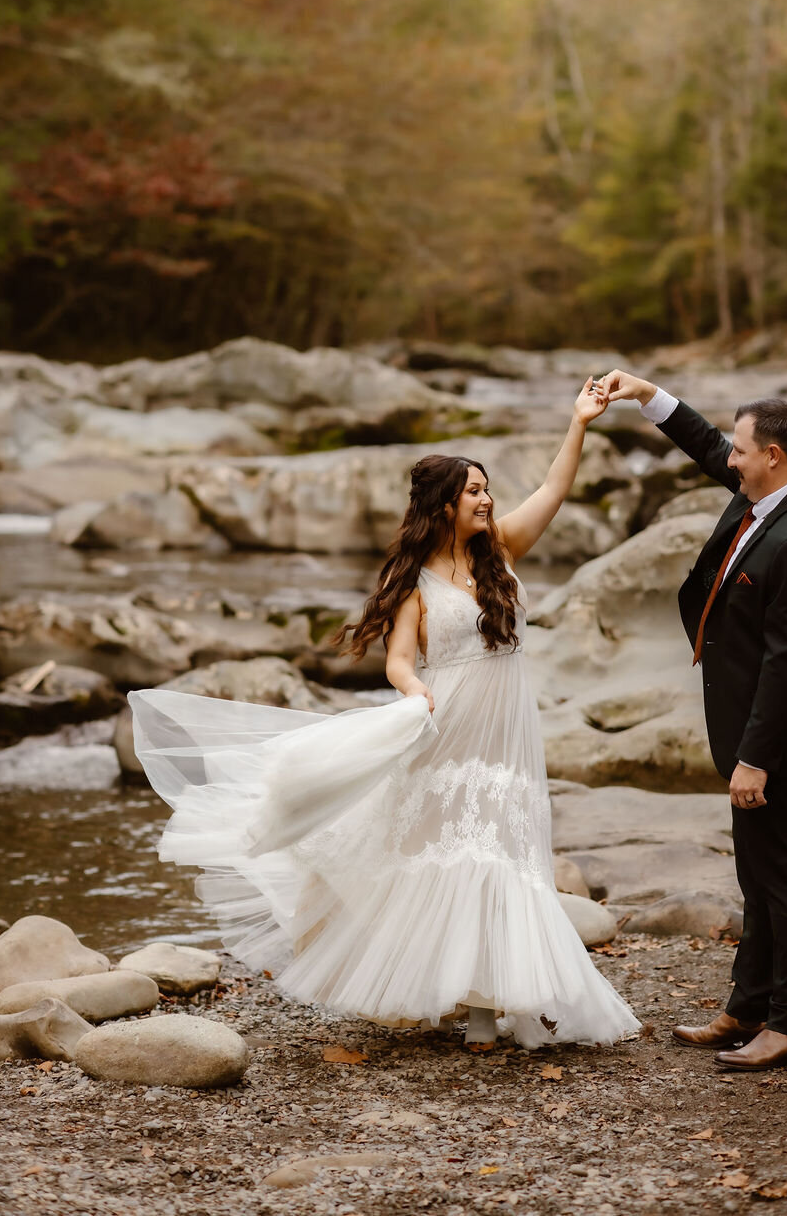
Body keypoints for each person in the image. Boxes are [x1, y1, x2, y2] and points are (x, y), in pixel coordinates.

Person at [128, 379, 639, 1052]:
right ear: (445, 504)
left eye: (487, 489)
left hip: (509, 736)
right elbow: (399, 659)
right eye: (476, 491)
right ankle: (478, 1008)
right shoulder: (416, 582)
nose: (488, 499)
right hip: (447, 728)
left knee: (506, 854)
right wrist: (412, 692)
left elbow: (553, 490)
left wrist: (579, 423)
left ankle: (495, 1000)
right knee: (460, 859)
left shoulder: (502, 551)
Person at [599, 369, 787, 1072]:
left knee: (785, 874)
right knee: (756, 869)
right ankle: (749, 1005)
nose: (728, 460)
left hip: (775, 733)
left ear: (772, 456)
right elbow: (709, 445)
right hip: (747, 723)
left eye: (741, 451)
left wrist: (755, 757)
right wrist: (649, 395)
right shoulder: (783, 479)